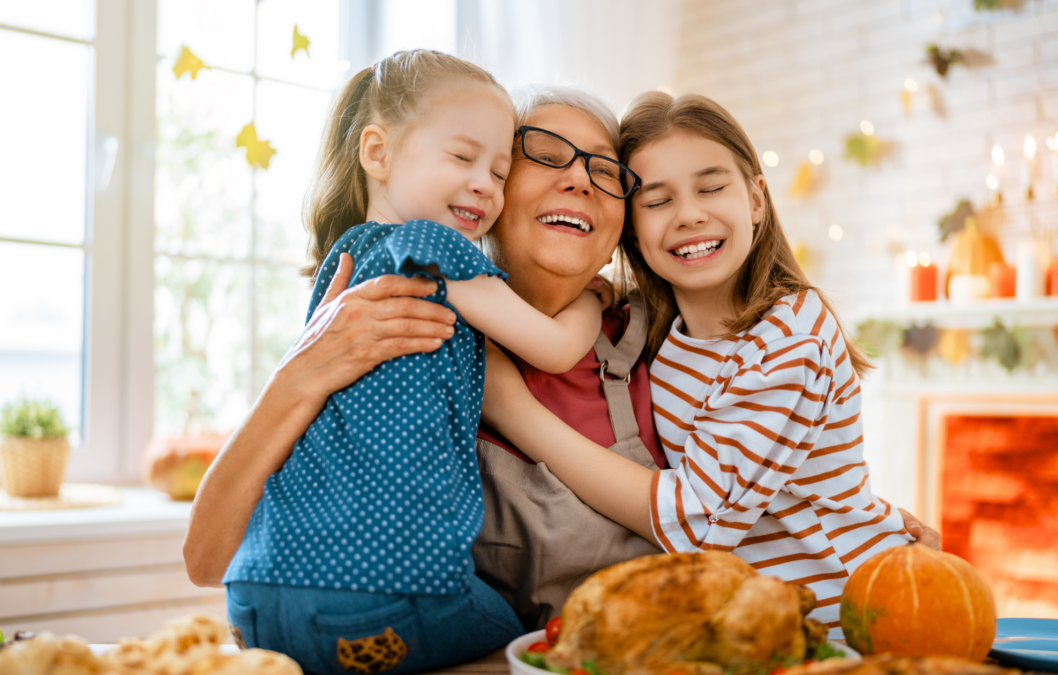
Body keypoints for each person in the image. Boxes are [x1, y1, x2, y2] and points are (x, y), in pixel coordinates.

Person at [184, 82, 940, 638]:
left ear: (618, 226)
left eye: (606, 171)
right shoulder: (399, 323)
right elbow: (207, 555)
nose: (578, 176)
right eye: (542, 154)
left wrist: (857, 516)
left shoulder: (650, 330)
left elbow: (734, 489)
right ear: (485, 196)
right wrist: (302, 377)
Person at [218, 49, 622, 675]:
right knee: (528, 643)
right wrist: (596, 295)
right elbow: (557, 346)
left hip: (257, 592)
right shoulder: (428, 247)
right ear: (377, 153)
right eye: (463, 159)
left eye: (497, 169)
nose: (484, 186)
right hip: (386, 590)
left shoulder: (345, 264)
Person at [479, 91, 915, 635]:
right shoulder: (655, 326)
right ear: (631, 228)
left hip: (841, 624)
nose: (689, 215)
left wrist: (510, 409)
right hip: (742, 629)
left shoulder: (790, 338)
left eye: (711, 187)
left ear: (757, 199)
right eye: (657, 201)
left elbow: (694, 521)